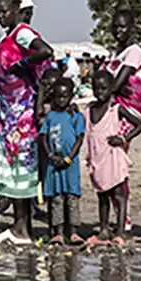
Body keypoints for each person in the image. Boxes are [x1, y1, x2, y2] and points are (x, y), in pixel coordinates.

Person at [0, 0, 53, 242]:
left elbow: (44, 51)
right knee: (15, 169)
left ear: (17, 9)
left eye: (5, 11)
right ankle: (18, 226)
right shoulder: (7, 36)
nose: (2, 16)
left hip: (22, 115)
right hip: (10, 116)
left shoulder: (23, 33)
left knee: (23, 169)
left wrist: (22, 63)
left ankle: (23, 229)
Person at [84, 68, 141, 245]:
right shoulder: (89, 110)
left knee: (118, 194)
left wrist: (124, 138)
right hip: (97, 158)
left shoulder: (116, 109)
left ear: (112, 89)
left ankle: (119, 231)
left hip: (113, 157)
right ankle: (103, 229)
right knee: (101, 194)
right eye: (96, 88)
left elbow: (139, 125)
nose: (100, 92)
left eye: (104, 88)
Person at [39, 77, 85, 243]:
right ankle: (58, 232)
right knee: (56, 198)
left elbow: (79, 139)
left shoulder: (76, 116)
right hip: (54, 163)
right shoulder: (51, 116)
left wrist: (69, 158)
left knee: (72, 197)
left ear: (71, 96)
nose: (61, 100)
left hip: (70, 164)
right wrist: (50, 155)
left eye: (64, 96)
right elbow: (43, 136)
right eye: (58, 96)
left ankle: (73, 231)